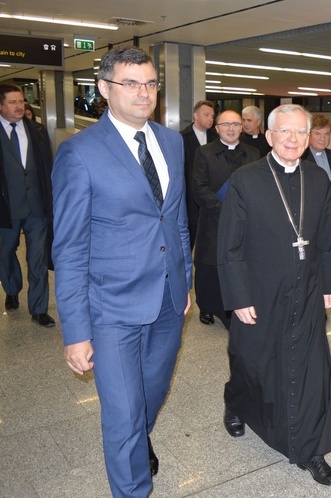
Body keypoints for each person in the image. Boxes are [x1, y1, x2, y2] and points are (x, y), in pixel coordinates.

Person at [52, 46, 192, 497]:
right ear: (105, 89)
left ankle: (135, 444)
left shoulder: (171, 142)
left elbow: (178, 219)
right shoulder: (79, 153)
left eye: (150, 83)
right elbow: (70, 246)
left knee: (149, 397)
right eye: (130, 84)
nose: (143, 93)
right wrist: (75, 331)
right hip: (110, 306)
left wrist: (185, 280)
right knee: (124, 411)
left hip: (168, 299)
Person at [217, 104, 331, 486]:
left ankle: (311, 450)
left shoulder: (318, 178)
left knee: (309, 369)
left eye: (301, 133)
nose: (293, 140)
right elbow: (229, 246)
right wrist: (239, 297)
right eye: (285, 132)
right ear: (270, 136)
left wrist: (328, 285)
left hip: (307, 290)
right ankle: (236, 401)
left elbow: (327, 238)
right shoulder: (246, 179)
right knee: (253, 361)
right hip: (259, 291)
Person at [193, 110, 259, 329]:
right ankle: (207, 307)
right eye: (226, 124)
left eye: (236, 124)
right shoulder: (204, 153)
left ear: (241, 127)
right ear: (217, 128)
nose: (231, 129)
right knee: (209, 264)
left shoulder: (253, 153)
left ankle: (235, 305)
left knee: (236, 264)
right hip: (213, 219)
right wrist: (224, 212)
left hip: (244, 222)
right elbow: (199, 188)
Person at [0, 84, 55, 327]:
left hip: (36, 208)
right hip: (6, 209)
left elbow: (47, 169)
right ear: (1, 106)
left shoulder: (38, 131)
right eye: (12, 102)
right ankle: (12, 289)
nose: (19, 106)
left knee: (38, 258)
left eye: (21, 101)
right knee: (4, 254)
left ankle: (39, 307)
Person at [180, 99, 217, 250]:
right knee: (188, 243)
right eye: (206, 115)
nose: (210, 119)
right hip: (189, 199)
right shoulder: (182, 138)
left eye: (212, 116)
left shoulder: (216, 138)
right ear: (196, 116)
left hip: (211, 197)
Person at [301, 114, 331, 217]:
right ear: (308, 135)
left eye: (326, 134)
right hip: (309, 216)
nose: (323, 138)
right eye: (317, 133)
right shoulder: (300, 158)